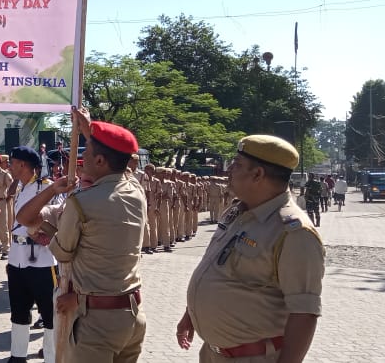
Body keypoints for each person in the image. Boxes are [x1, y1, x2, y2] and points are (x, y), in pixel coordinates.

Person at [177, 135, 325, 363]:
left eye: (236, 165)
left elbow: (304, 312)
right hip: (213, 354)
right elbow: (215, 266)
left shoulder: (294, 233)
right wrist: (191, 314)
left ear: (257, 174)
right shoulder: (237, 211)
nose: (229, 170)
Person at [49, 108, 147, 362]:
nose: (82, 158)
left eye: (87, 153)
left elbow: (62, 252)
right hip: (131, 314)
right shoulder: (136, 192)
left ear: (101, 161)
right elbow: (121, 168)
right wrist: (90, 130)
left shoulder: (82, 202)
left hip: (96, 323)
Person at [3, 146, 60, 363]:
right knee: (19, 310)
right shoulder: (21, 187)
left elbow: (59, 216)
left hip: (42, 259)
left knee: (49, 312)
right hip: (18, 258)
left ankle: (51, 357)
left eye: (12, 163)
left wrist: (43, 230)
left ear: (23, 165)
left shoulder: (46, 187)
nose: (10, 167)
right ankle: (17, 356)